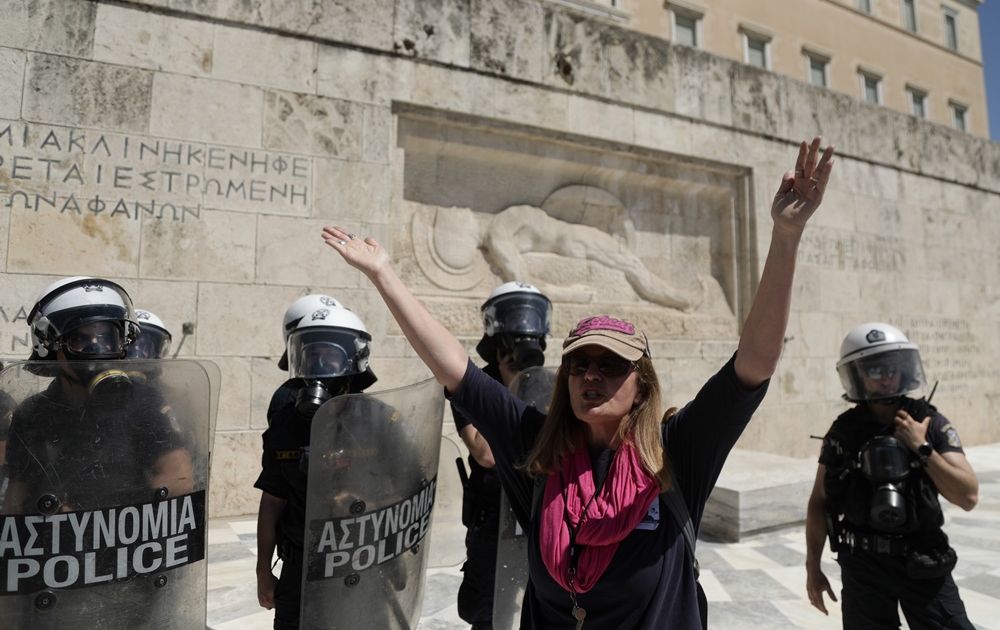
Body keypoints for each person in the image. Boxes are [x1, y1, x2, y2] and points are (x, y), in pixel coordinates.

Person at [322, 136, 835, 629]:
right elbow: (457, 369)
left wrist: (785, 237)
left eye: (611, 365)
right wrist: (385, 275)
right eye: (580, 364)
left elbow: (754, 365)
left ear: (642, 385)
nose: (592, 374)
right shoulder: (537, 451)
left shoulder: (677, 455)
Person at [805, 322, 979, 629]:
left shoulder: (928, 421)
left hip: (923, 559)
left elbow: (968, 496)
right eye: (875, 371)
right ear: (858, 375)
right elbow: (818, 500)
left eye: (892, 369)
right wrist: (812, 568)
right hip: (862, 564)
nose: (886, 378)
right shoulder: (844, 431)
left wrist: (921, 447)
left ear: (904, 369)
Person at [3, 276, 193, 514]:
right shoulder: (33, 413)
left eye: (105, 338)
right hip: (54, 542)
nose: (97, 348)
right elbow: (15, 500)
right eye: (80, 338)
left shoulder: (144, 400)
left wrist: (106, 516)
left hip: (129, 539)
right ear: (52, 346)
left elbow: (180, 478)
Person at [254, 294, 378, 630]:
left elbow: (412, 490)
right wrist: (263, 570)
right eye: (311, 358)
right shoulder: (286, 423)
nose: (319, 370)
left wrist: (361, 502)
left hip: (360, 565)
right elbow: (272, 500)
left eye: (330, 359)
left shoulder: (381, 422)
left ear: (352, 364)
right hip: (299, 568)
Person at [455, 281, 552, 630]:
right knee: (486, 611)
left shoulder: (552, 384)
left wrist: (529, 381)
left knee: (540, 604)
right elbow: (484, 452)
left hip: (538, 513)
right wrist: (513, 384)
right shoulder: (471, 383)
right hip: (493, 518)